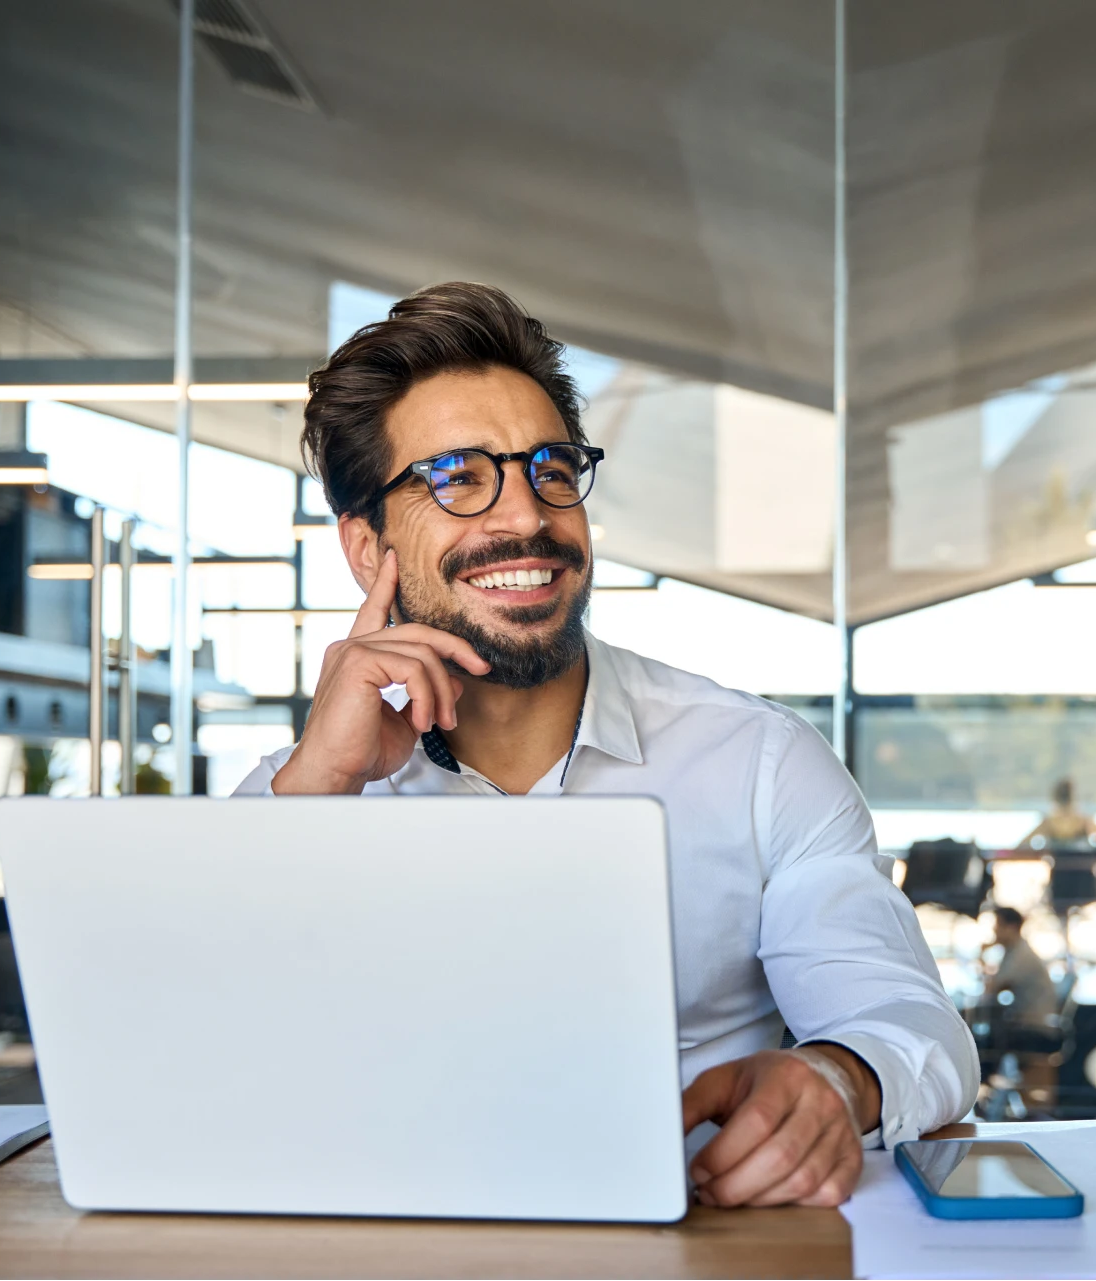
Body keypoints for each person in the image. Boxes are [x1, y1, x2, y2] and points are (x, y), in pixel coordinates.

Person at [235, 282, 977, 1208]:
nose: (525, 516)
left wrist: (834, 1079)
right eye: (458, 477)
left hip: (697, 1243)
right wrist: (325, 781)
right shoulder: (296, 796)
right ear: (363, 547)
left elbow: (912, 1023)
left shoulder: (758, 762)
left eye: (550, 468)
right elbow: (206, 1049)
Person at [983, 907, 1060, 1030]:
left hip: (1035, 1026)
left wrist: (982, 956)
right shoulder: (1013, 951)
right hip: (1027, 1021)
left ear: (1012, 927)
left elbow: (992, 989)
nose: (994, 930)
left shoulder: (1021, 955)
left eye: (998, 925)